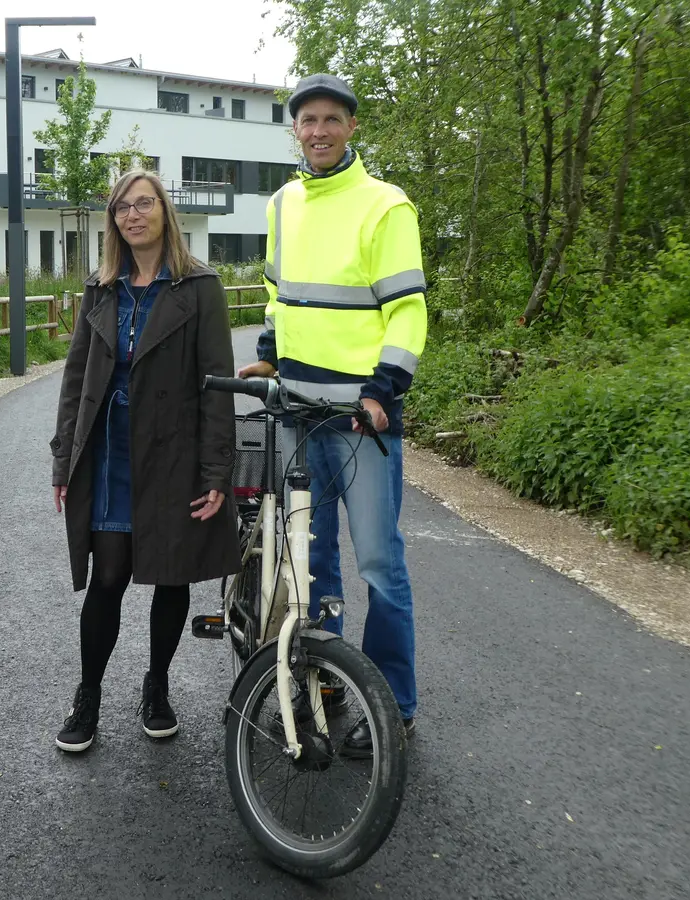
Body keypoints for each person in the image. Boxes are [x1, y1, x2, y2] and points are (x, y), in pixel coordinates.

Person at [236, 73, 427, 754]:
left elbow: (408, 310)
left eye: (329, 119)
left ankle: (394, 704)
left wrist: (384, 388)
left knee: (378, 563)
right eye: (306, 121)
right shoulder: (284, 204)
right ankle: (327, 678)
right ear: (295, 131)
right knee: (309, 560)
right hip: (297, 412)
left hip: (363, 421)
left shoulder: (385, 205)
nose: (317, 131)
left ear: (351, 127)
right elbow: (276, 293)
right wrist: (268, 351)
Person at [49, 170, 241, 753]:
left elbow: (217, 386)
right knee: (108, 575)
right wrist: (64, 458)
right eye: (122, 207)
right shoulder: (102, 287)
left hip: (174, 452)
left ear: (164, 211)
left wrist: (216, 472)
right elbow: (77, 377)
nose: (133, 215)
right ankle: (88, 695)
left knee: (171, 573)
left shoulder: (199, 286)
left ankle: (157, 687)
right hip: (110, 451)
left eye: (144, 203)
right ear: (114, 220)